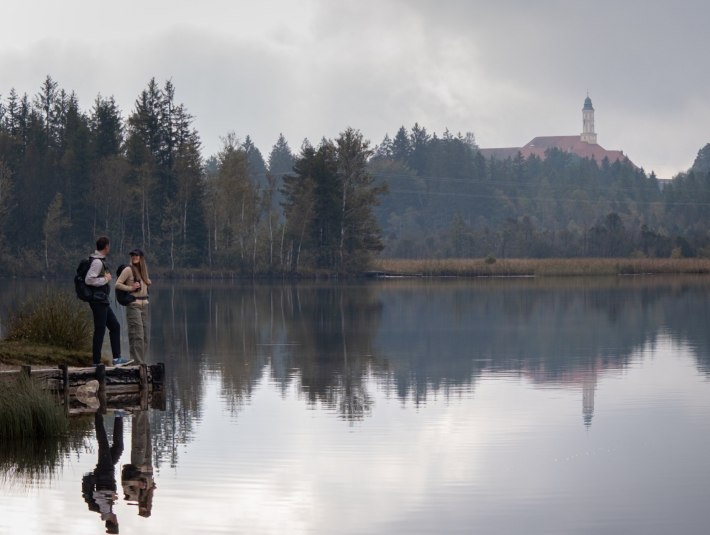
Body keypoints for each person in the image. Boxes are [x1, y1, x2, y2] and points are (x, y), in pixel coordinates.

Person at [85, 236, 127, 366]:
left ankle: (116, 359)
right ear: (106, 247)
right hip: (98, 301)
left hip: (102, 300)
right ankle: (96, 361)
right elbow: (89, 280)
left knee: (115, 326)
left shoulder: (98, 260)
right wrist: (106, 279)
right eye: (109, 246)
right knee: (100, 329)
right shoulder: (97, 262)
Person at [82, 411, 124, 534]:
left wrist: (96, 479)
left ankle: (98, 413)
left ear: (115, 522)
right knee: (118, 448)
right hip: (108, 471)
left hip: (104, 471)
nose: (117, 519)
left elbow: (97, 492)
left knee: (103, 443)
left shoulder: (103, 509)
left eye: (117, 522)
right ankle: (118, 416)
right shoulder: (106, 510)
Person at [115, 248, 152, 364]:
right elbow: (117, 284)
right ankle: (138, 364)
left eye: (136, 255)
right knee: (137, 335)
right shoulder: (128, 270)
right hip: (134, 305)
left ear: (141, 257)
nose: (134, 257)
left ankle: (140, 361)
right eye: (132, 255)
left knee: (145, 337)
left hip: (144, 305)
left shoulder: (144, 271)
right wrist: (131, 288)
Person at [121, 409, 156, 518]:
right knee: (147, 432)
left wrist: (136, 484)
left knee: (139, 438)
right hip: (148, 466)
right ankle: (143, 410)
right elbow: (151, 484)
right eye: (145, 510)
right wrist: (152, 487)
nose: (143, 508)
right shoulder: (150, 495)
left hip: (137, 466)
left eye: (142, 511)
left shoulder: (132, 497)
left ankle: (138, 410)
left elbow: (124, 483)